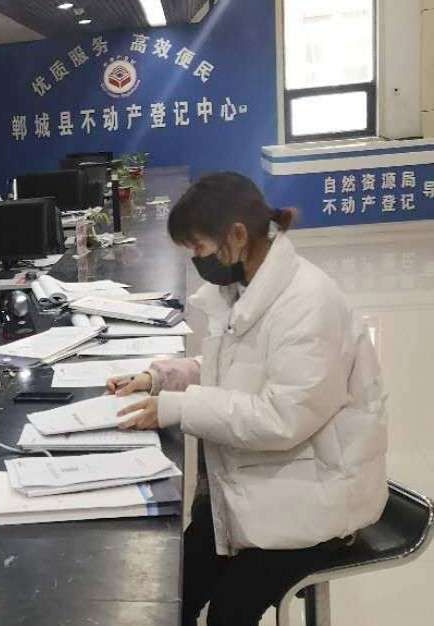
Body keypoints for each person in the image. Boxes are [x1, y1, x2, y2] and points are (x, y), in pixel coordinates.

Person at [106, 172, 388, 626]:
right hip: (260, 485)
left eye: (199, 247)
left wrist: (178, 409)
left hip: (316, 500)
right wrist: (159, 380)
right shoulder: (245, 287)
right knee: (168, 591)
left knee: (229, 614)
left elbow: (281, 418)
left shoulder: (307, 305)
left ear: (236, 235)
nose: (198, 260)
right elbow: (234, 369)